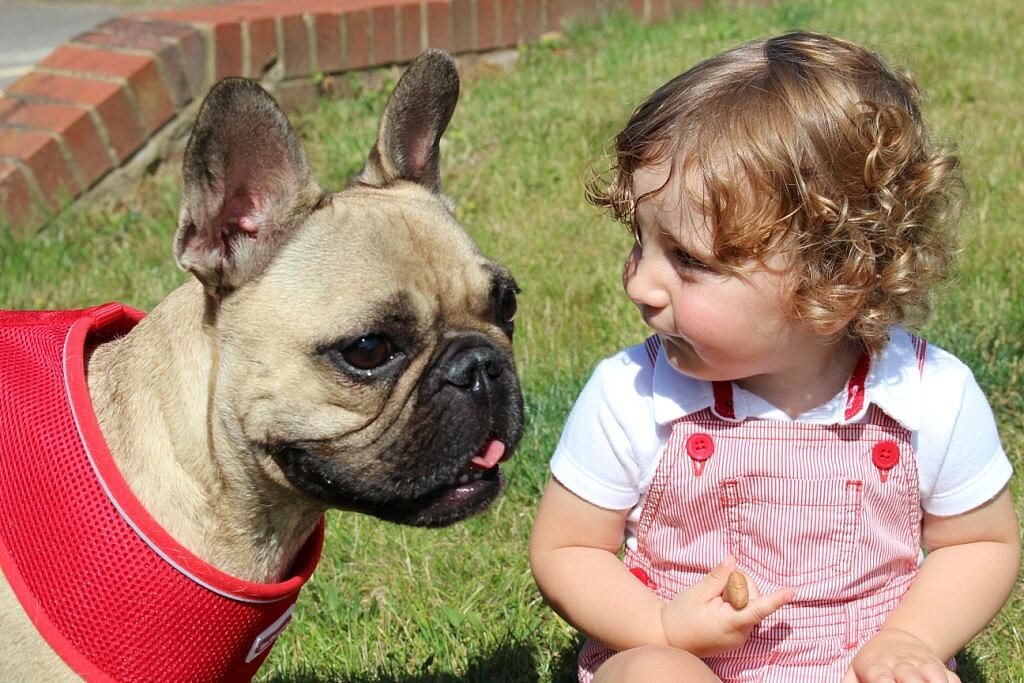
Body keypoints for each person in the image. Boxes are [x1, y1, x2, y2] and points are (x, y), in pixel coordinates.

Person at [529, 31, 1019, 683]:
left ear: (835, 277)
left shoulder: (926, 395)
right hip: (691, 661)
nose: (640, 283)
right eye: (641, 244)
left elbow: (980, 543)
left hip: (858, 664)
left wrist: (909, 639)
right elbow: (567, 547)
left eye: (689, 260)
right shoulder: (635, 392)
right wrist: (660, 627)